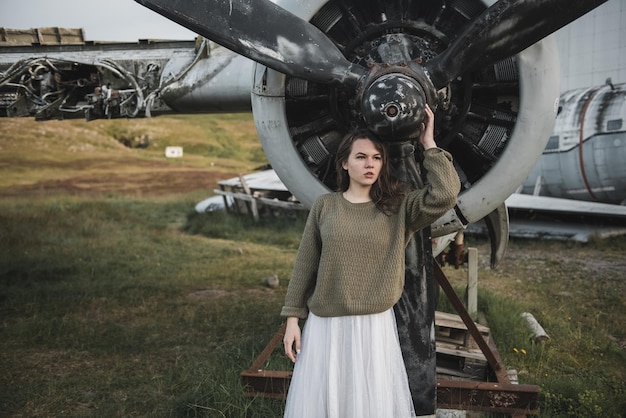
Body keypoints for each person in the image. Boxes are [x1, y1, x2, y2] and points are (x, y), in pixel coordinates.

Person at [281, 105, 460, 418]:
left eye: (377, 158)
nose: (370, 164)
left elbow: (445, 194)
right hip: (327, 327)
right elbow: (306, 263)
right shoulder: (325, 206)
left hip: (373, 326)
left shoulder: (399, 208)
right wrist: (293, 319)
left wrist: (428, 144)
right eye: (361, 157)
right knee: (327, 404)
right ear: (345, 163)